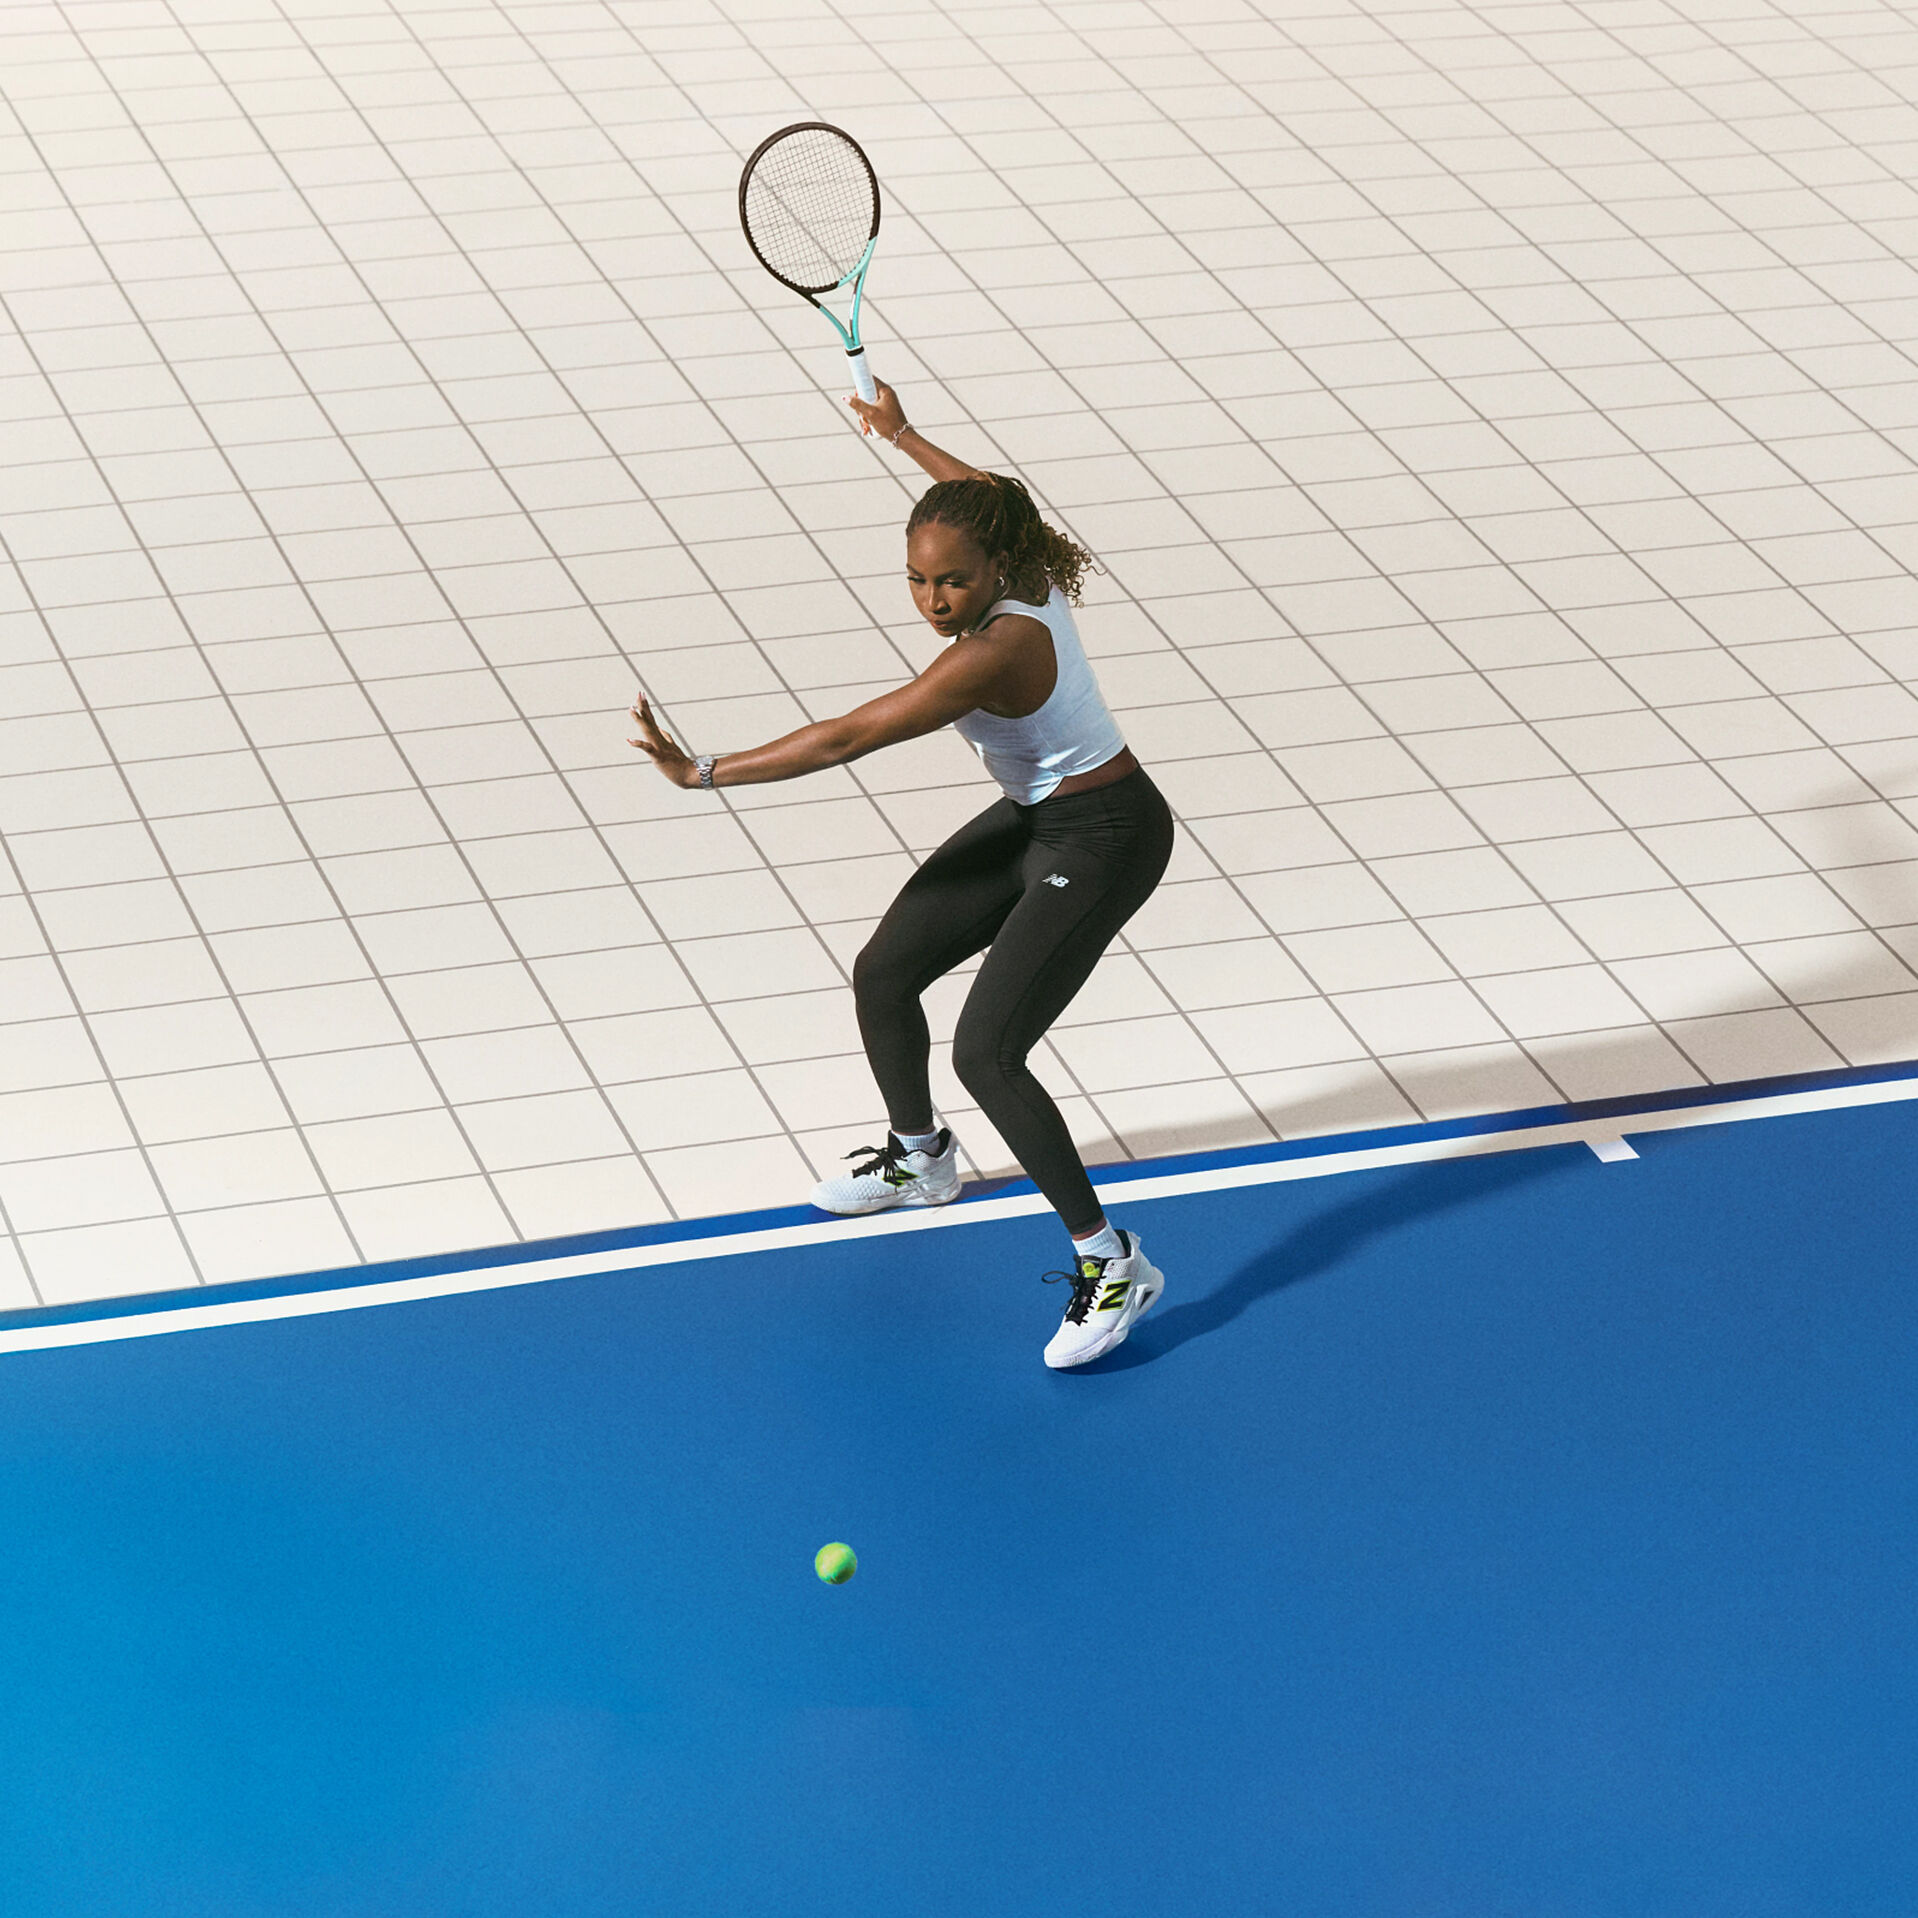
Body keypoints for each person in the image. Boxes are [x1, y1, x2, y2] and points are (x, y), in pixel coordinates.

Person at [627, 379, 1175, 1369]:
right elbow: (990, 490)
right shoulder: (1022, 559)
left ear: (993, 570)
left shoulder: (996, 647)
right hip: (1040, 818)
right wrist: (905, 435)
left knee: (988, 1054)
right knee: (884, 970)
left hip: (1107, 836)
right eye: (917, 582)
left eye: (952, 583)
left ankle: (1112, 1259)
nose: (933, 601)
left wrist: (704, 770)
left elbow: (851, 734)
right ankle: (923, 1159)